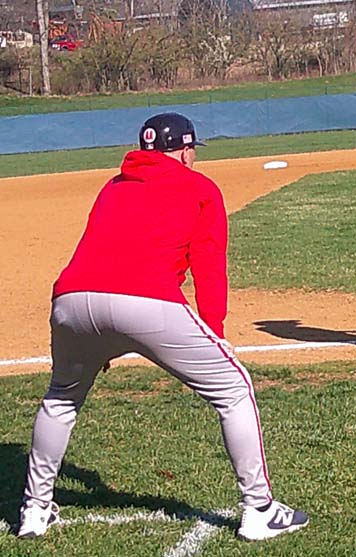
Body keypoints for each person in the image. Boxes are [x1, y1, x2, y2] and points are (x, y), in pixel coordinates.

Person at [17, 112, 309, 541]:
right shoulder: (200, 188)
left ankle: (34, 510)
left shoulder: (113, 186)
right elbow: (208, 268)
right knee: (234, 389)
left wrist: (96, 344)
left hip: (72, 300)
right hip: (147, 300)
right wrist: (214, 330)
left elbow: (98, 252)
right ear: (185, 150)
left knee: (61, 397)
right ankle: (260, 509)